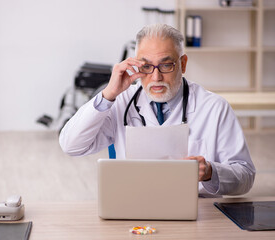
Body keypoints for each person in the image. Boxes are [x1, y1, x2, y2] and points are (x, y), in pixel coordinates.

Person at [59, 23, 255, 197]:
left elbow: (245, 176)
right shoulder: (121, 101)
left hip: (198, 212)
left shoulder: (214, 108)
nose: (156, 77)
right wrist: (108, 93)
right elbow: (71, 145)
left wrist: (211, 172)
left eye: (166, 65)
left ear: (183, 64)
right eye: (146, 66)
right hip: (133, 207)